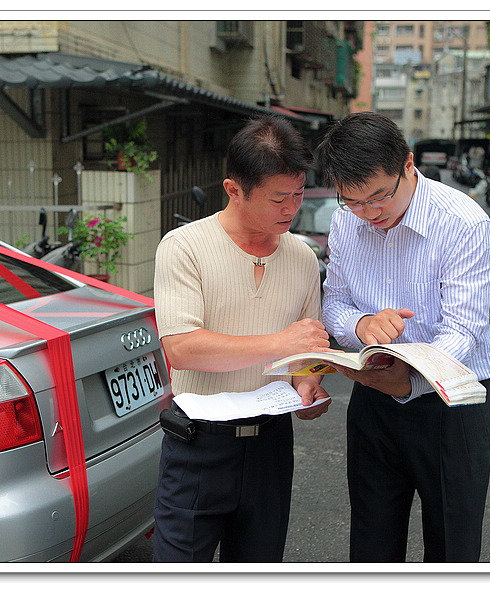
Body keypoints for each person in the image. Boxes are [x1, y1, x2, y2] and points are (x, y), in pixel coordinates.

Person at [315, 111, 490, 562]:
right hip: (375, 399)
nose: (369, 214)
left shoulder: (463, 223)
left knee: (451, 545)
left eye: (380, 197)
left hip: (450, 403)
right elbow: (333, 302)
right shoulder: (346, 222)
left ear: (408, 166)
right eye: (352, 202)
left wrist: (411, 380)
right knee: (372, 542)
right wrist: (360, 326)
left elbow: (463, 330)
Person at [152, 115, 332, 562]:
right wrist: (280, 344)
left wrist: (308, 382)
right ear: (234, 190)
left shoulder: (303, 258)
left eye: (299, 193)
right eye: (278, 198)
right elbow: (182, 348)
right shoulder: (184, 247)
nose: (291, 208)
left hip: (271, 444)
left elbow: (306, 349)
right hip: (198, 445)